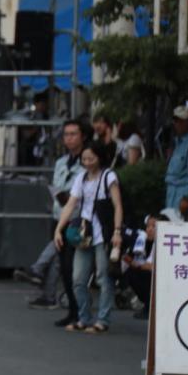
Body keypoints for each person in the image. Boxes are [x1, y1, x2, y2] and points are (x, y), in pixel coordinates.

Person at [17, 119, 87, 322]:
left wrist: (66, 196)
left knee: (72, 268)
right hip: (59, 215)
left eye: (74, 134)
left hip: (77, 218)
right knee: (62, 265)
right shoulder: (61, 163)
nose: (69, 138)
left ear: (82, 136)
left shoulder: (87, 162)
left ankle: (38, 270)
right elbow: (58, 188)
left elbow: (77, 194)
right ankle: (66, 307)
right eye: (66, 134)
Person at [55, 141, 125, 333]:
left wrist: (117, 232)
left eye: (91, 158)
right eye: (84, 159)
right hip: (84, 234)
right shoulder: (81, 178)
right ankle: (84, 317)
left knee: (104, 277)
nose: (87, 162)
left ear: (100, 158)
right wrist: (59, 228)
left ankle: (103, 319)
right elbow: (71, 204)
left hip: (104, 233)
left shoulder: (108, 176)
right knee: (78, 278)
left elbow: (118, 205)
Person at [122, 215, 160, 320]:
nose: (150, 229)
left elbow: (151, 266)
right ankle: (147, 305)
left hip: (159, 275)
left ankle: (150, 306)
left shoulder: (163, 242)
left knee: (139, 274)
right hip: (146, 272)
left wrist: (134, 263)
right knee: (131, 273)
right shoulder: (141, 239)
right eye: (148, 226)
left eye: (154, 226)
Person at [166, 105, 188, 210]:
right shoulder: (177, 143)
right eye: (175, 120)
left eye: (180, 120)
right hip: (171, 196)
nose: (176, 124)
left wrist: (187, 198)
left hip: (183, 199)